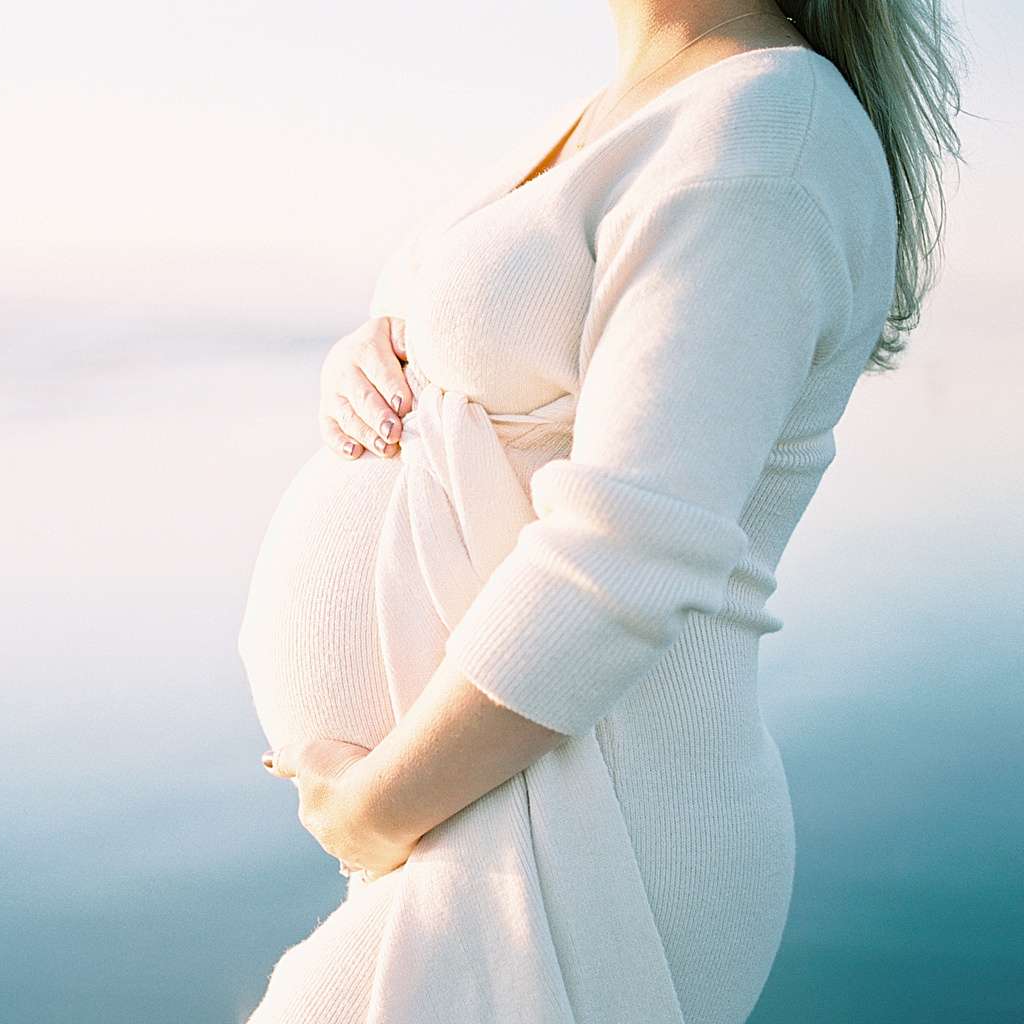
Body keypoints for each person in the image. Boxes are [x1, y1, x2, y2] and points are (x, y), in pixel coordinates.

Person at [236, 1, 968, 1021]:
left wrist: (374, 806)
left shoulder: (765, 131)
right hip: (480, 808)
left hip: (587, 829)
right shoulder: (640, 105)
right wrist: (378, 349)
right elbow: (504, 333)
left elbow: (624, 551)